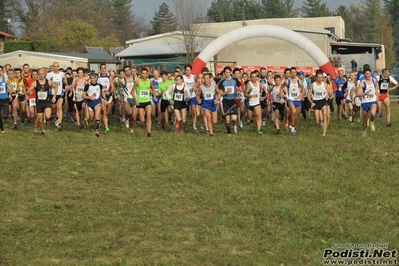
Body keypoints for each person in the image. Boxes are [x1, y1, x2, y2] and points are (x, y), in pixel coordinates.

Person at [27, 67, 57, 135]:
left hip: (47, 102)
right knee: (40, 119)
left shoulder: (48, 82)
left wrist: (54, 96)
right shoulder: (35, 83)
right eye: (40, 74)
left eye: (42, 73)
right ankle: (43, 130)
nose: (41, 75)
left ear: (45, 74)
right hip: (39, 103)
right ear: (38, 74)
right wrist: (29, 92)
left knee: (48, 116)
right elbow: (29, 90)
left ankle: (48, 120)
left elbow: (56, 86)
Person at [132, 67, 157, 137]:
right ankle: (142, 122)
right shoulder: (137, 81)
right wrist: (136, 100)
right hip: (140, 102)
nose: (144, 75)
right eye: (142, 73)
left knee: (149, 116)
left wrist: (154, 96)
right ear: (140, 74)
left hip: (147, 101)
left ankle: (149, 133)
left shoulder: (149, 81)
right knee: (142, 119)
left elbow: (153, 89)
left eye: (145, 73)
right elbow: (132, 92)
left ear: (147, 74)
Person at [308, 70, 333, 137]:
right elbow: (308, 95)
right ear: (316, 77)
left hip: (323, 101)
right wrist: (311, 102)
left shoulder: (324, 85)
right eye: (318, 77)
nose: (320, 79)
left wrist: (329, 95)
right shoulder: (313, 85)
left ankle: (324, 133)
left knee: (325, 116)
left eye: (321, 77)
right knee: (317, 121)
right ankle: (321, 123)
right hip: (316, 102)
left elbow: (331, 93)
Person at [218, 66, 241, 136]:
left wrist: (239, 91)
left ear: (231, 72)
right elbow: (221, 93)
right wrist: (226, 92)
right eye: (226, 72)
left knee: (234, 118)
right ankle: (229, 132)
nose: (227, 74)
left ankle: (234, 125)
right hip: (225, 101)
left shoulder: (235, 80)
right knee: (227, 119)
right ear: (224, 73)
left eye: (228, 72)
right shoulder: (222, 81)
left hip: (233, 100)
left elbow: (240, 88)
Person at [357, 67, 379, 136]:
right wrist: (364, 94)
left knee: (373, 113)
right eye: (366, 73)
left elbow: (376, 89)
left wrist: (377, 95)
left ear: (371, 73)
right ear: (364, 74)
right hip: (365, 102)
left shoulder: (374, 81)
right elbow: (358, 94)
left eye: (369, 73)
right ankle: (364, 131)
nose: (368, 75)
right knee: (365, 119)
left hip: (373, 101)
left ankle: (372, 122)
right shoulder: (362, 83)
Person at [282, 67, 305, 135]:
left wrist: (301, 95)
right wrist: (282, 95)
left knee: (296, 115)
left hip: (297, 99)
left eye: (294, 72)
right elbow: (281, 87)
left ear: (296, 73)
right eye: (292, 72)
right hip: (290, 99)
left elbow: (304, 91)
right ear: (290, 73)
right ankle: (291, 124)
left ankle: (293, 127)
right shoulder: (287, 81)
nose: (293, 74)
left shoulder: (299, 81)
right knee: (293, 111)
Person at [245, 71, 267, 135]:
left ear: (257, 77)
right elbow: (245, 94)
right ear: (250, 77)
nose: (254, 78)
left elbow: (264, 88)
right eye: (253, 77)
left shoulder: (259, 83)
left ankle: (258, 129)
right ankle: (249, 119)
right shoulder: (249, 84)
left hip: (257, 103)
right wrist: (250, 96)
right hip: (250, 103)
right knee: (250, 118)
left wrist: (266, 94)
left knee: (259, 115)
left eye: (255, 77)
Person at [46, 62, 65, 131]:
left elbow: (65, 81)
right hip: (52, 94)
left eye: (57, 66)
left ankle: (59, 123)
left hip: (60, 94)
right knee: (53, 108)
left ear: (59, 67)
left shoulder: (62, 74)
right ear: (52, 67)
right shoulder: (49, 75)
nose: (56, 68)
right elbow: (47, 84)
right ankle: (52, 117)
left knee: (59, 107)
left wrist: (68, 86)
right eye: (54, 66)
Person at [183, 64, 199, 132]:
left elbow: (198, 82)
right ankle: (185, 124)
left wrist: (195, 86)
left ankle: (194, 125)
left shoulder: (193, 76)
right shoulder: (183, 77)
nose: (188, 71)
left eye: (189, 70)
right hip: (185, 96)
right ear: (185, 70)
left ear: (191, 70)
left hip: (192, 95)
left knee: (194, 110)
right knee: (186, 111)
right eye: (187, 70)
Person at [0, 65, 11, 133]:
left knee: (5, 116)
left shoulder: (6, 79)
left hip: (5, 99)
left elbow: (10, 86)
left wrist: (10, 94)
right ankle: (2, 128)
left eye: (0, 70)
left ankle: (5, 116)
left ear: (2, 71)